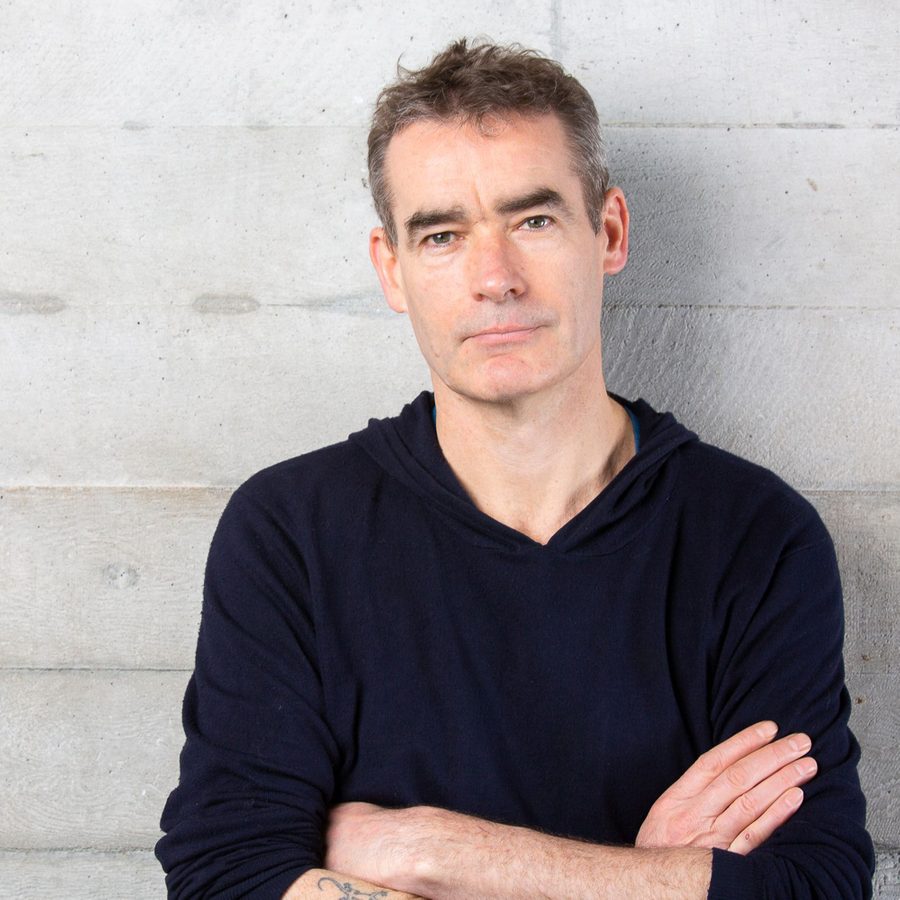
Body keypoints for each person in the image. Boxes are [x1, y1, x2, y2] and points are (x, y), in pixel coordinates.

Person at [156, 39, 874, 898]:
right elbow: (225, 874)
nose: (493, 278)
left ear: (607, 232)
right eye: (443, 235)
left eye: (533, 221)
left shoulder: (755, 536)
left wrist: (433, 851)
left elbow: (819, 886)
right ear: (392, 269)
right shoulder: (291, 532)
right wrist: (644, 880)